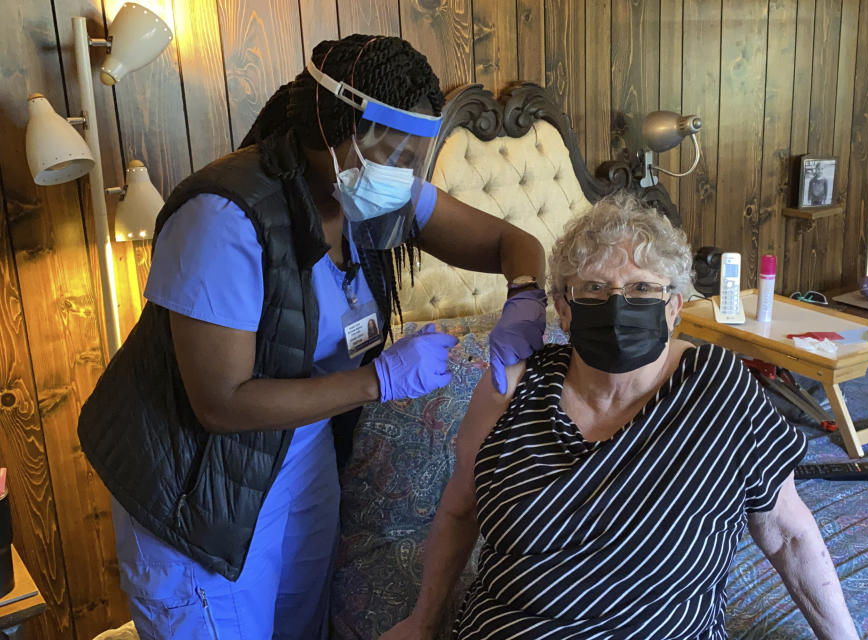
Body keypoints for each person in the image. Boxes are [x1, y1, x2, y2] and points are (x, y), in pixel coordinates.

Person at [78, 34, 548, 639]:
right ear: (332, 129)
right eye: (390, 149)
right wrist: (378, 379)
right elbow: (220, 404)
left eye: (416, 153)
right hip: (198, 485)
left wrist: (528, 293)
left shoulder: (375, 191)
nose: (403, 171)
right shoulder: (225, 218)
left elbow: (512, 241)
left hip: (298, 456)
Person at [381, 191, 859, 640]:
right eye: (593, 289)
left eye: (642, 287)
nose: (617, 304)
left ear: (674, 308)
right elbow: (459, 509)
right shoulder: (512, 387)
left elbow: (789, 536)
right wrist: (423, 622)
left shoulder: (719, 391)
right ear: (563, 310)